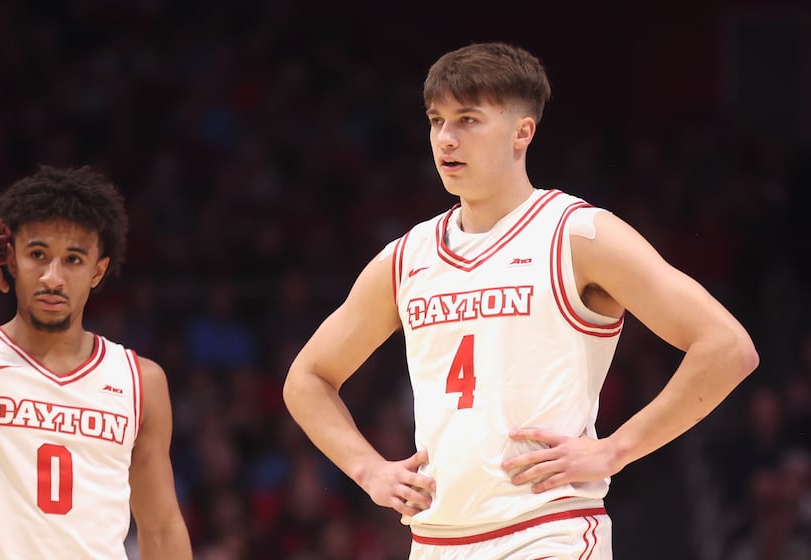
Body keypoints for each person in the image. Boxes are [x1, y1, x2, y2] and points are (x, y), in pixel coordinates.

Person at [282, 42, 759, 559]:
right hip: (436, 539)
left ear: (522, 132)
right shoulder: (405, 258)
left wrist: (617, 449)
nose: (445, 138)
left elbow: (727, 346)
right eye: (436, 120)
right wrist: (368, 469)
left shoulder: (576, 234)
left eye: (468, 119)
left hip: (547, 532)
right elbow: (307, 379)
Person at [0, 165, 192, 559]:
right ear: (9, 258)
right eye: (37, 255)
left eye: (73, 260)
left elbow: (161, 529)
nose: (52, 278)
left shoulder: (141, 380)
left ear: (98, 270)